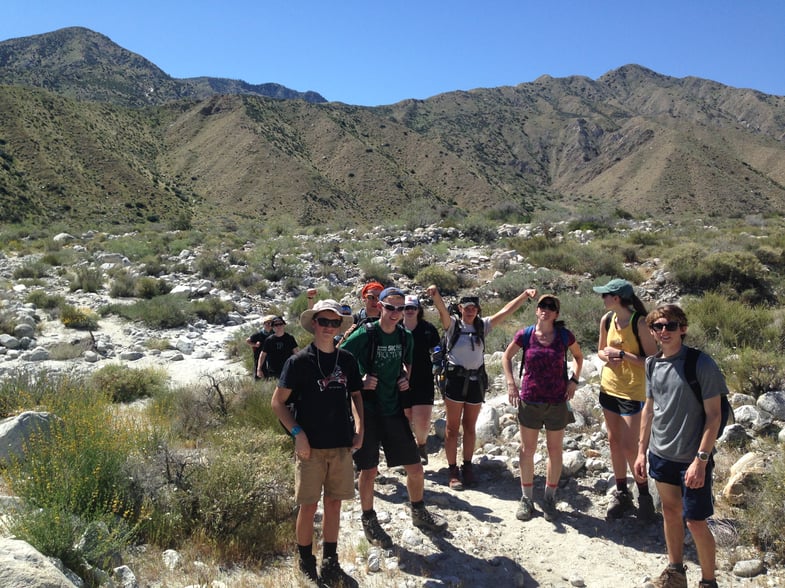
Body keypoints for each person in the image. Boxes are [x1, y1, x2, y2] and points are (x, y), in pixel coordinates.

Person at [341, 286, 447, 548]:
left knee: (415, 467)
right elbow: (340, 357)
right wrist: (360, 381)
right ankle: (369, 519)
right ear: (379, 306)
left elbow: (408, 362)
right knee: (369, 470)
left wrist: (404, 378)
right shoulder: (365, 333)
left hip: (393, 409)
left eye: (401, 308)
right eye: (390, 307)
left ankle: (418, 511)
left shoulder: (404, 336)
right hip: (368, 410)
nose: (396, 313)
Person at [271, 300, 363, 587]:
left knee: (334, 503)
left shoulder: (346, 359)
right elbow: (277, 402)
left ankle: (330, 562)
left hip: (340, 444)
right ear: (314, 324)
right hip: (310, 448)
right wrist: (298, 434)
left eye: (334, 323)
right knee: (309, 506)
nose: (328, 328)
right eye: (323, 322)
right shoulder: (298, 362)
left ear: (340, 327)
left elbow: (357, 396)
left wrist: (360, 428)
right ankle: (306, 560)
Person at [634, 305, 726, 588]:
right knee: (671, 512)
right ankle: (675, 574)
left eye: (671, 326)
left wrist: (701, 460)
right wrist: (641, 451)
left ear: (682, 329)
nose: (664, 331)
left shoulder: (701, 364)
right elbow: (649, 409)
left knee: (696, 522)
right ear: (651, 331)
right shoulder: (651, 364)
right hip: (661, 454)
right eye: (658, 327)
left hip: (692, 457)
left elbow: (714, 415)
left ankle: (709, 582)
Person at [428, 285, 537, 490]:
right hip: (455, 380)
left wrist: (524, 295)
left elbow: (506, 311)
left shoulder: (482, 326)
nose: (470, 311)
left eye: (474, 308)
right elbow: (442, 311)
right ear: (460, 308)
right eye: (467, 307)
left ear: (478, 310)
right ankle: (453, 470)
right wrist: (436, 295)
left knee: (470, 427)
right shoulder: (452, 325)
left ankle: (467, 466)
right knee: (452, 428)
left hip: (476, 381)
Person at [502, 294, 584, 522]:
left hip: (557, 401)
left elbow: (578, 356)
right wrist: (511, 384)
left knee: (554, 450)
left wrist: (574, 381)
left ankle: (549, 497)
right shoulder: (526, 334)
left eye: (551, 307)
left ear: (556, 314)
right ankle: (527, 498)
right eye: (542, 306)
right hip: (530, 400)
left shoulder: (564, 336)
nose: (545, 309)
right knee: (527, 450)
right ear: (537, 311)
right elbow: (507, 357)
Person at [593, 278, 659, 520]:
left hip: (633, 392)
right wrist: (607, 356)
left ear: (617, 298)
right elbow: (600, 351)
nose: (603, 299)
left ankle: (644, 496)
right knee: (613, 441)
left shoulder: (639, 322)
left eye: (605, 295)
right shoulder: (607, 320)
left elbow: (653, 361)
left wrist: (623, 355)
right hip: (609, 388)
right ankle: (622, 493)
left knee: (632, 447)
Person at [400, 294, 441, 465]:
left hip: (423, 379)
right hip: (400, 380)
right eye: (406, 308)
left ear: (418, 310)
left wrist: (438, 361)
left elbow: (437, 348)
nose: (409, 311)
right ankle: (407, 454)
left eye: (413, 308)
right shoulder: (395, 329)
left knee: (422, 420)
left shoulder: (428, 329)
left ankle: (421, 446)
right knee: (405, 417)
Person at [335, 281, 384, 346]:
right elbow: (336, 349)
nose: (375, 301)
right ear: (364, 298)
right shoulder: (353, 320)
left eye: (379, 297)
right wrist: (345, 338)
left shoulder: (387, 320)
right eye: (370, 297)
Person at [246, 314, 276, 380]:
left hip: (271, 358)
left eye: (271, 323)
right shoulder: (258, 334)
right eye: (267, 323)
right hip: (259, 357)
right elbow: (248, 341)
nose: (269, 325)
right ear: (263, 324)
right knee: (259, 377)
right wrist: (255, 345)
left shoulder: (274, 334)